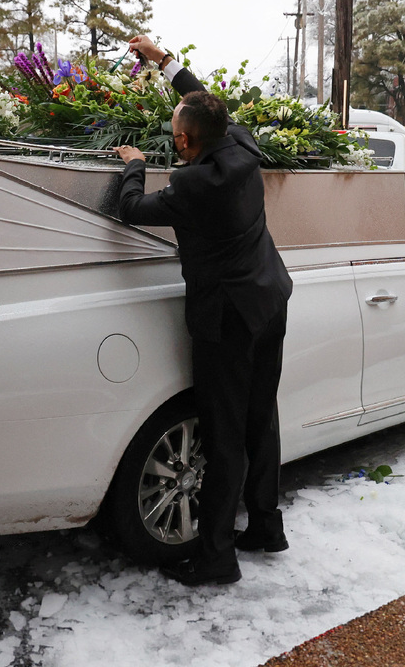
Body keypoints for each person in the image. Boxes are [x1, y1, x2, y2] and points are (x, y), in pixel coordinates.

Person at [114, 34, 293, 586]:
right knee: (260, 418)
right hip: (270, 300)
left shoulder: (193, 186)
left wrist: (135, 165)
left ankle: (216, 556)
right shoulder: (241, 146)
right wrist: (161, 59)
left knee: (223, 434)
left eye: (174, 138)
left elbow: (130, 210)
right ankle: (265, 525)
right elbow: (205, 98)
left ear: (187, 142)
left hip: (227, 321)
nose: (174, 144)